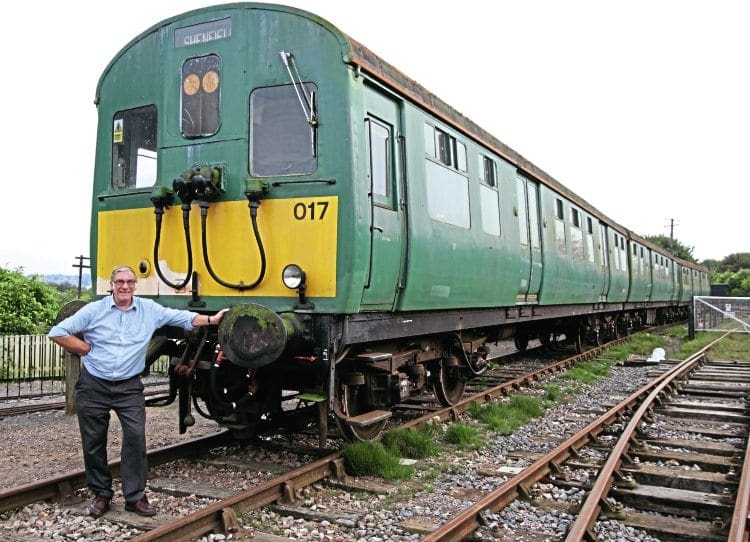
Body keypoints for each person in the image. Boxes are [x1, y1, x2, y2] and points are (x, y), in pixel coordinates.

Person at [48, 265, 229, 518]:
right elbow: (57, 332)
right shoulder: (94, 310)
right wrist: (85, 349)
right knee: (93, 442)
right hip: (94, 385)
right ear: (112, 285)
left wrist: (212, 320)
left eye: (130, 282)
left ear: (135, 285)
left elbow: (181, 317)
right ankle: (102, 494)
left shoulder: (149, 310)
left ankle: (135, 497)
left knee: (135, 437)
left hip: (128, 386)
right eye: (120, 281)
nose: (124, 286)